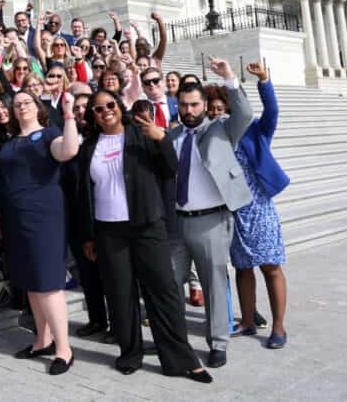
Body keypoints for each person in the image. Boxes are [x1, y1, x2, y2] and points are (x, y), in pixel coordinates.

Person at [76, 89, 211, 383]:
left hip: (147, 225)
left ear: (119, 106)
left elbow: (171, 169)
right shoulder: (89, 147)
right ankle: (130, 354)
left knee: (163, 292)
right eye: (98, 109)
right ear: (93, 116)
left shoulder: (141, 134)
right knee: (120, 294)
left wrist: (161, 139)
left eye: (110, 105)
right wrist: (88, 235)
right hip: (109, 231)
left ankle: (181, 360)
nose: (105, 111)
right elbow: (85, 194)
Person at [169, 56, 253, 369]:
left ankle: (218, 342)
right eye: (183, 105)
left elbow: (245, 114)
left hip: (211, 221)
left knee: (214, 284)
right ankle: (173, 341)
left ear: (204, 105)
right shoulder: (172, 136)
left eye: (194, 105)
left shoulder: (221, 130)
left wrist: (229, 76)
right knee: (170, 284)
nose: (189, 110)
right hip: (177, 222)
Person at [206, 63, 289, 349]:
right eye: (212, 110)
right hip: (233, 212)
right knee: (242, 268)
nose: (216, 113)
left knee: (270, 267)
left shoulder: (254, 131)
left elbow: (272, 112)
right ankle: (248, 320)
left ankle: (278, 326)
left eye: (221, 108)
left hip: (259, 208)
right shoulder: (213, 138)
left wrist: (264, 80)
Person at [0, 90, 79, 375]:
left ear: (38, 107)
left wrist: (68, 114)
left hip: (44, 217)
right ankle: (42, 340)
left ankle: (64, 349)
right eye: (17, 104)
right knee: (32, 282)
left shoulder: (49, 134)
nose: (21, 107)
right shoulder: (10, 141)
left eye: (27, 102)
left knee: (48, 282)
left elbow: (68, 151)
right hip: (16, 219)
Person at [60, 91, 108, 340]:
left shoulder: (102, 137)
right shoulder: (66, 137)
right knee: (87, 273)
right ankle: (97, 319)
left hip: (103, 213)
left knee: (109, 273)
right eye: (76, 108)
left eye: (84, 107)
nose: (80, 111)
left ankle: (118, 323)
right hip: (77, 214)